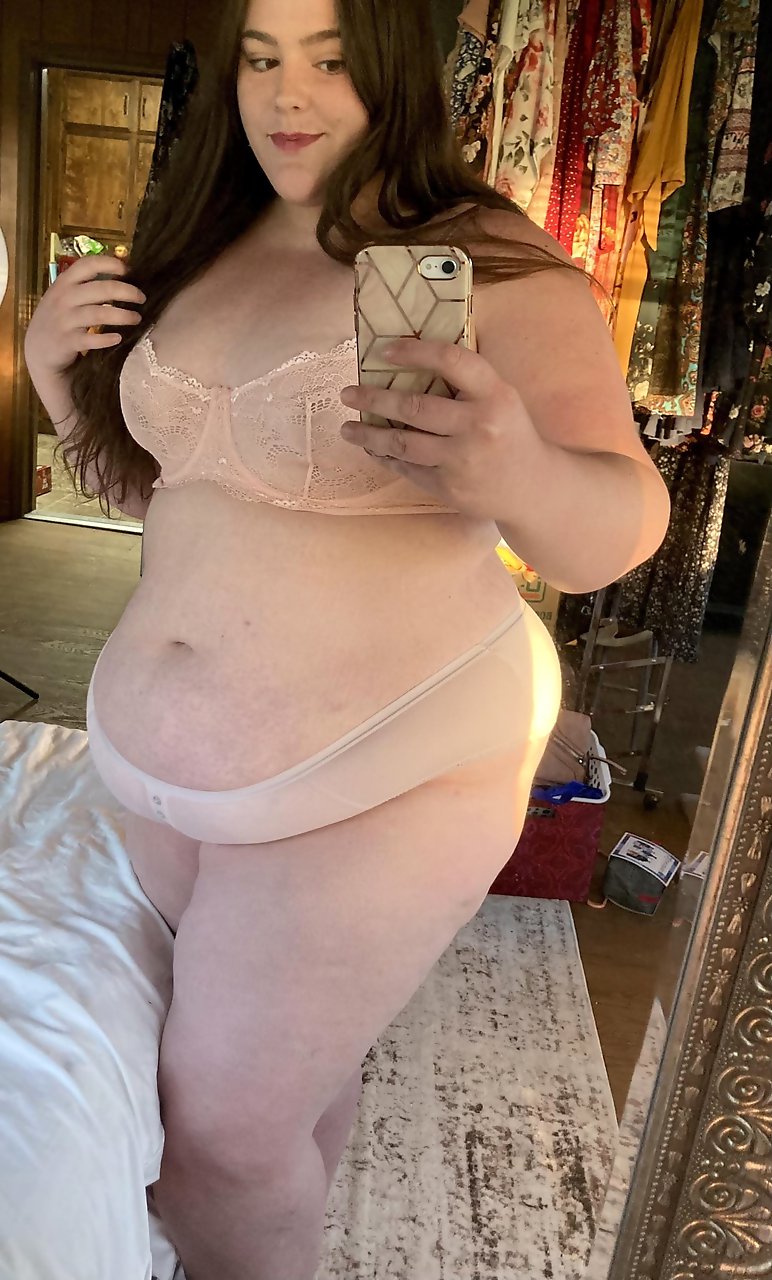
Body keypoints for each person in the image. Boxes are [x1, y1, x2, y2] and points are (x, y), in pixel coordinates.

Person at [24, 1, 671, 1276]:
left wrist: (520, 466)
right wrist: (53, 371)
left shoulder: (486, 259)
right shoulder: (205, 234)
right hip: (170, 779)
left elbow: (617, 531)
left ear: (393, 71)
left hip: (383, 770)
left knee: (218, 1141)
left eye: (328, 60)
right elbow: (171, 494)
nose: (288, 94)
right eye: (262, 59)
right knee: (289, 1083)